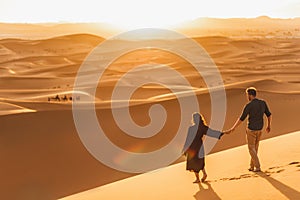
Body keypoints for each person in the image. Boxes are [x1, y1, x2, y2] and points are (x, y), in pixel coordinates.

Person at [228, 87, 272, 172]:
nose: (247, 97)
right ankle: (252, 166)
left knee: (251, 148)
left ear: (250, 95)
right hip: (260, 128)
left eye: (247, 95)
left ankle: (257, 166)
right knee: (255, 148)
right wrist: (269, 125)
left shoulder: (249, 105)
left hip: (251, 129)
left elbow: (241, 118)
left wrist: (233, 128)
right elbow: (269, 115)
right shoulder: (263, 103)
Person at [183, 112, 228, 183]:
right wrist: (221, 133)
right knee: (200, 161)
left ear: (194, 120)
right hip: (199, 147)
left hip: (192, 148)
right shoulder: (202, 127)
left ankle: (198, 178)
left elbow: (188, 140)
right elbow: (211, 132)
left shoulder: (191, 128)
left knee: (193, 163)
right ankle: (204, 173)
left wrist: (185, 149)